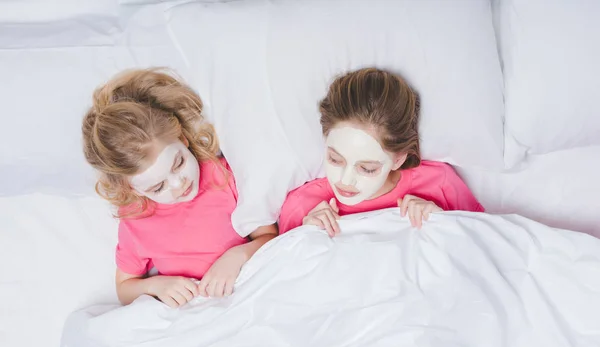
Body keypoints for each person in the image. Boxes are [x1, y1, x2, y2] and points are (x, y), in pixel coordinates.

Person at [82, 68, 277, 307]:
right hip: (185, 313)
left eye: (179, 163)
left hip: (241, 296)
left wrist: (237, 256)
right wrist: (155, 285)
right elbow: (124, 287)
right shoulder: (135, 217)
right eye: (158, 187)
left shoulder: (223, 176)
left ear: (182, 139)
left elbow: (269, 236)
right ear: (133, 190)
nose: (178, 184)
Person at [279, 68, 484, 236]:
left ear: (398, 160)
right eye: (335, 159)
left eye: (367, 169)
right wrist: (303, 236)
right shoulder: (301, 206)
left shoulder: (440, 184)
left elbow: (483, 241)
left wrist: (443, 222)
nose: (346, 180)